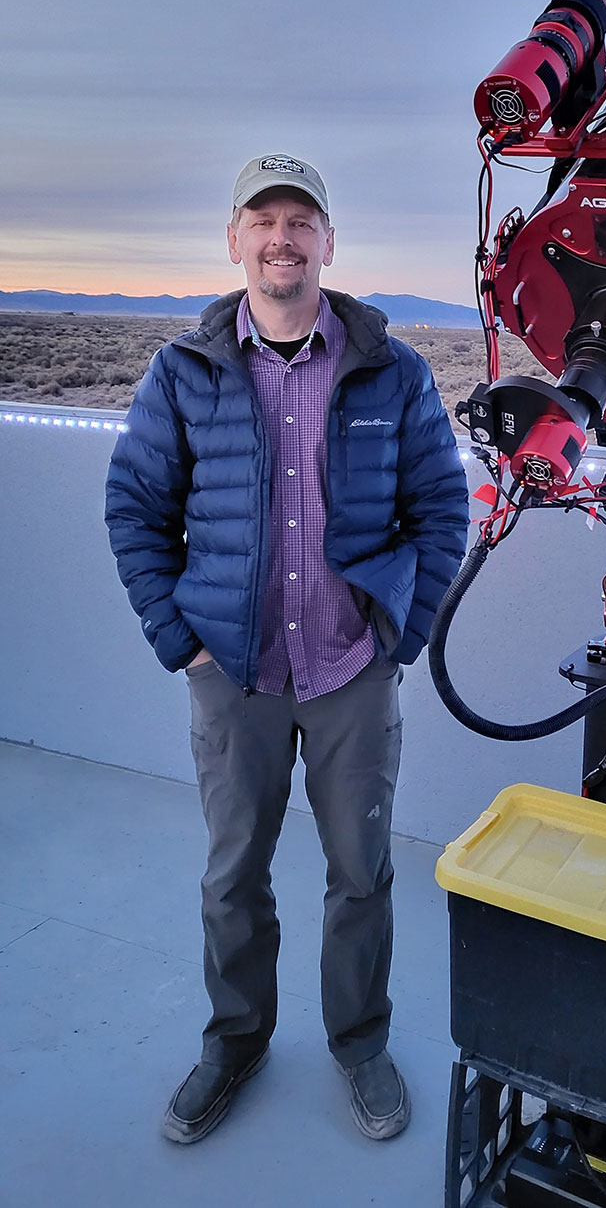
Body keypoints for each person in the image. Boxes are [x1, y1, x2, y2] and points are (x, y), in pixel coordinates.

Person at [105, 154, 469, 1145]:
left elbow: (443, 503)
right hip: (235, 673)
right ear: (235, 239)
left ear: (328, 242)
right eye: (262, 219)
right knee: (234, 874)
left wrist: (405, 625)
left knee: (361, 872)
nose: (282, 237)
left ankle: (360, 1042)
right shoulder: (185, 370)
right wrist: (179, 641)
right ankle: (236, 1042)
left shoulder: (391, 369)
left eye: (300, 220)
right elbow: (135, 505)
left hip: (353, 671)